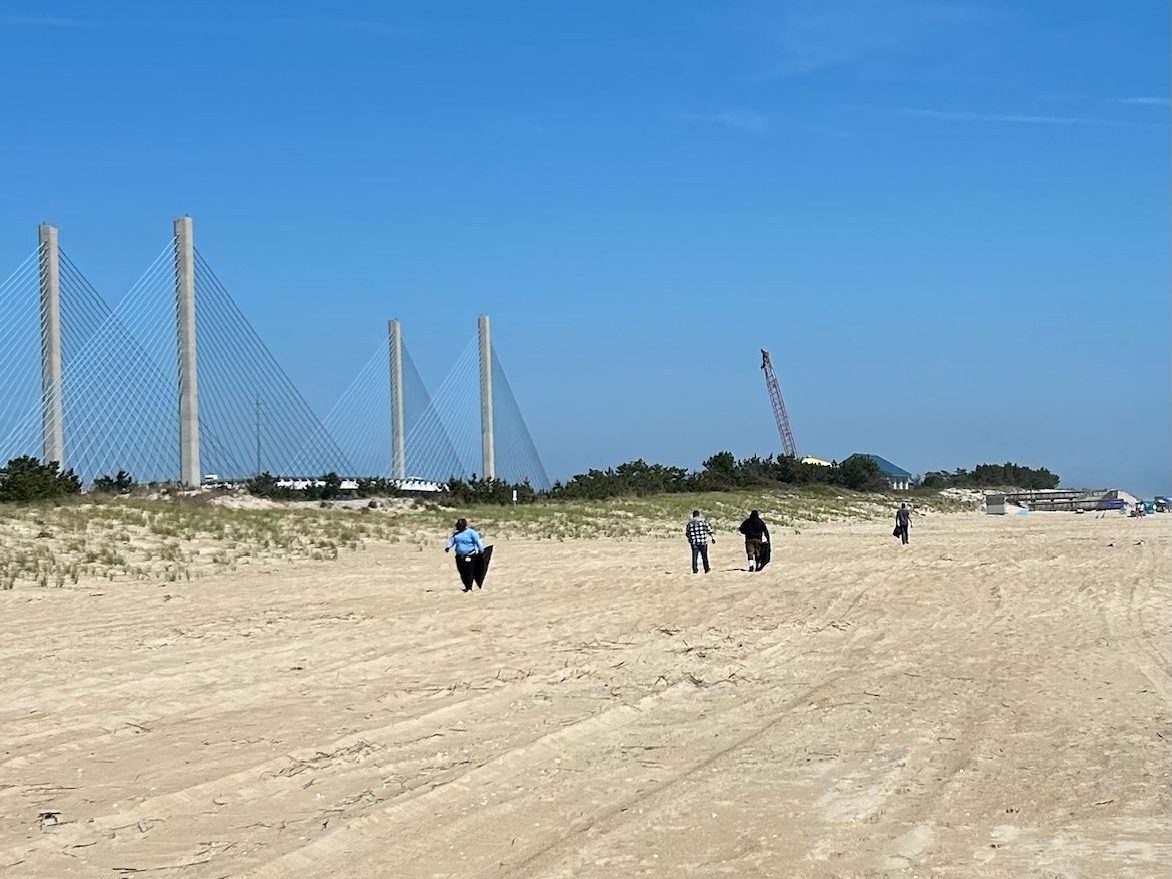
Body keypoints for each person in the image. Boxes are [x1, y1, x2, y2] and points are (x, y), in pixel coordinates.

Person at [445, 517, 486, 591]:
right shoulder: (456, 534)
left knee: (469, 571)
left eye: (460, 526)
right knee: (462, 572)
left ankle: (469, 587)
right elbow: (452, 541)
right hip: (459, 556)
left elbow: (478, 541)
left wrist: (481, 550)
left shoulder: (471, 532)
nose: (458, 527)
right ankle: (466, 585)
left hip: (470, 555)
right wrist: (448, 547)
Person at [685, 510, 715, 574]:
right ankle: (706, 569)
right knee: (704, 556)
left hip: (694, 542)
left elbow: (687, 533)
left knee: (694, 556)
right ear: (699, 515)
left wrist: (690, 538)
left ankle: (695, 570)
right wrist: (712, 537)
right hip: (702, 541)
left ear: (693, 516)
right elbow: (709, 530)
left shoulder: (690, 523)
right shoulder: (703, 522)